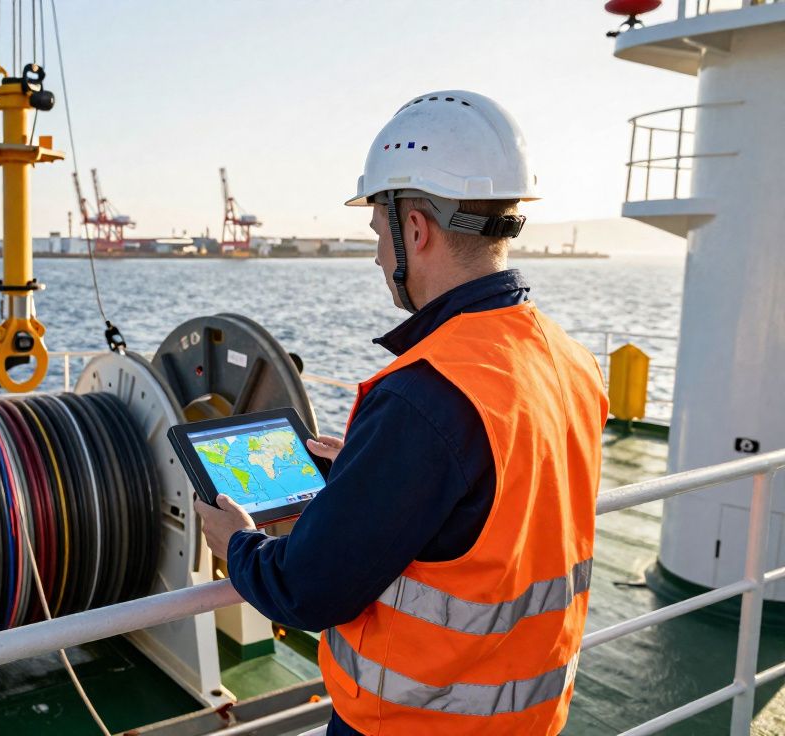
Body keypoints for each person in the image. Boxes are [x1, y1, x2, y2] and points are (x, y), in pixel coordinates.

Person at [194, 91, 609, 735]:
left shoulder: (424, 395)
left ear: (414, 228)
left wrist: (238, 546)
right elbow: (492, 511)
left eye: (377, 234)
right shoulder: (569, 358)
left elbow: (308, 590)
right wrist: (367, 476)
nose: (379, 258)